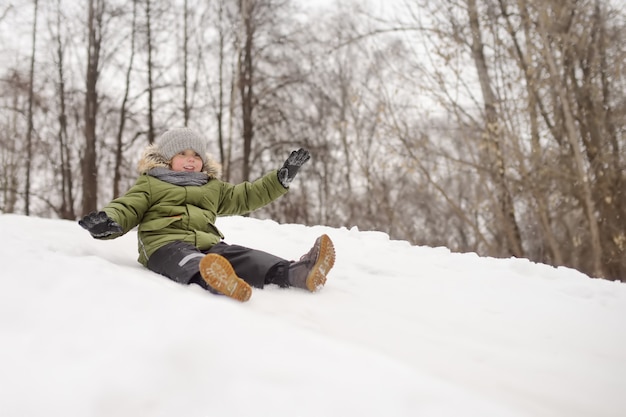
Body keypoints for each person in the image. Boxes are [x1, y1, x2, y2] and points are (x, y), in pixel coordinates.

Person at [78, 127, 335, 302]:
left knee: (243, 256)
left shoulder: (211, 187)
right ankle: (214, 280)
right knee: (186, 258)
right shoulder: (151, 183)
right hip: (163, 246)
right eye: (183, 154)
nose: (191, 160)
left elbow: (246, 196)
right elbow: (128, 206)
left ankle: (295, 272)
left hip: (207, 245)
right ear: (167, 158)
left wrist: (280, 180)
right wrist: (110, 221)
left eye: (196, 155)